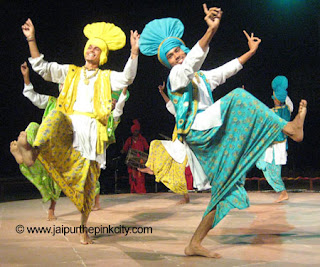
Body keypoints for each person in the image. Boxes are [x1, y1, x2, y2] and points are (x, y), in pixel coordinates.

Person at [139, 4, 307, 257]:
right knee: (239, 97)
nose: (178, 57)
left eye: (178, 51)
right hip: (198, 129)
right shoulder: (177, 76)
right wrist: (211, 30)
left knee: (227, 186)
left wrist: (250, 52)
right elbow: (191, 63)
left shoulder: (201, 77)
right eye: (172, 56)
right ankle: (287, 128)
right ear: (169, 63)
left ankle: (194, 243)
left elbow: (226, 70)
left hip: (211, 129)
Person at [18, 18, 139, 244]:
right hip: (69, 124)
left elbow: (127, 78)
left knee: (87, 183)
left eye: (97, 48)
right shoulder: (70, 72)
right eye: (89, 46)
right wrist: (31, 38)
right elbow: (42, 68)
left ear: (102, 55)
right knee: (54, 115)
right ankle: (31, 153)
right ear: (85, 50)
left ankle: (83, 228)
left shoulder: (106, 77)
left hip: (91, 133)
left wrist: (133, 53)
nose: (92, 49)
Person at [10, 62, 61, 221]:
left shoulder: (76, 107)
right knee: (32, 128)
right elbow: (33, 96)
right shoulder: (52, 101)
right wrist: (26, 77)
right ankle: (26, 151)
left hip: (58, 146)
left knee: (53, 178)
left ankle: (25, 159)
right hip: (45, 139)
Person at [139, 81, 191, 204]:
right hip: (175, 143)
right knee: (155, 144)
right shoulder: (179, 112)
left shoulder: (192, 115)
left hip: (185, 145)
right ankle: (151, 167)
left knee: (178, 171)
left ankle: (186, 197)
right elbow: (170, 104)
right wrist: (162, 92)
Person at [256, 76, 293, 203]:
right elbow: (288, 101)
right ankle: (282, 191)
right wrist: (281, 88)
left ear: (276, 98)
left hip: (274, 146)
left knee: (271, 169)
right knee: (265, 165)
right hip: (278, 144)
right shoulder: (288, 109)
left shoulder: (272, 113)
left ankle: (283, 192)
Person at [92, 87, 129, 210]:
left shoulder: (114, 116)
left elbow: (120, 104)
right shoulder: (97, 113)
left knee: (94, 174)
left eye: (115, 101)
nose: (113, 102)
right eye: (111, 100)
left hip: (99, 148)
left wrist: (124, 88)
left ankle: (96, 203)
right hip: (88, 142)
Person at [121, 119, 149, 193]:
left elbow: (147, 148)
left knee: (141, 178)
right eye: (135, 130)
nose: (136, 132)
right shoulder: (129, 140)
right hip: (132, 163)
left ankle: (141, 191)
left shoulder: (142, 139)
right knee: (133, 178)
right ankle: (133, 192)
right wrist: (122, 151)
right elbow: (124, 149)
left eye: (137, 130)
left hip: (140, 162)